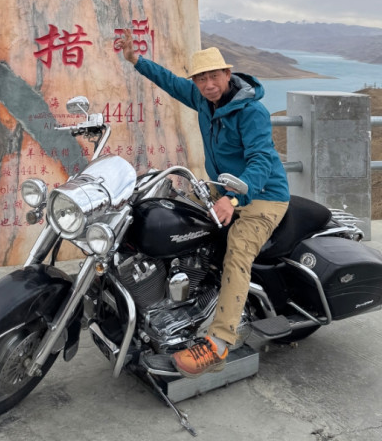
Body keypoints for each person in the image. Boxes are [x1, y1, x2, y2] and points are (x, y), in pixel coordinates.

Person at [115, 29, 290, 377]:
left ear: (227, 74)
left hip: (263, 196)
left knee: (237, 251)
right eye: (201, 79)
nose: (208, 85)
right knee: (174, 221)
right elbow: (169, 81)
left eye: (214, 77)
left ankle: (219, 343)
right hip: (221, 190)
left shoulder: (252, 112)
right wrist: (135, 59)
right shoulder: (202, 99)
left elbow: (260, 161)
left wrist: (234, 198)